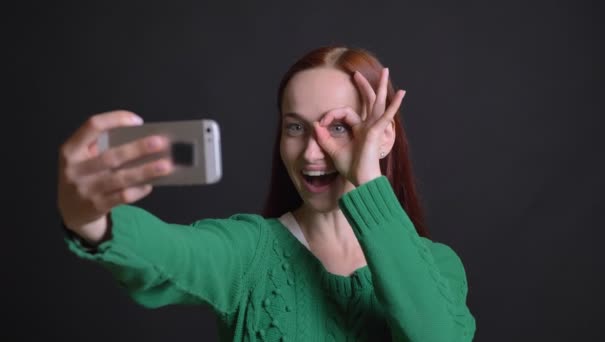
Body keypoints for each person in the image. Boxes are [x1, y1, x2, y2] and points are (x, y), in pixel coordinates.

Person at [58, 46, 476, 341]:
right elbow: (172, 253)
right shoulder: (251, 251)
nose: (312, 152)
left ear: (383, 137)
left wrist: (368, 180)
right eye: (296, 127)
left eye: (338, 127)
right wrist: (91, 219)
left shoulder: (438, 266)